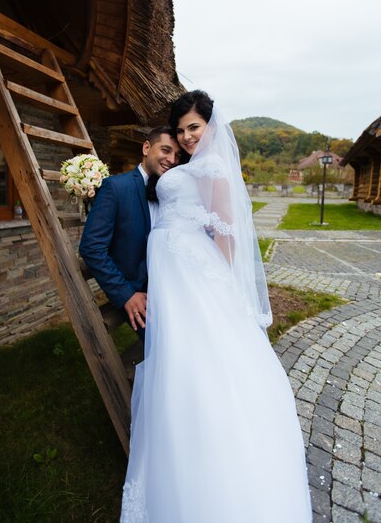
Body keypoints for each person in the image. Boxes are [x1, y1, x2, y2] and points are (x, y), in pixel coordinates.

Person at [120, 91, 312, 522]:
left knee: (196, 354)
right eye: (182, 128)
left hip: (191, 272)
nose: (187, 136)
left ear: (209, 126)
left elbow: (226, 233)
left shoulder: (211, 166)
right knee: (177, 353)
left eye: (194, 127)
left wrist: (221, 284)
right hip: (173, 268)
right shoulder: (191, 166)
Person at [79, 127, 180, 340]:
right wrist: (125, 294)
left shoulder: (172, 193)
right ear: (146, 147)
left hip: (172, 288)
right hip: (138, 294)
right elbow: (92, 247)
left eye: (177, 155)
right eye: (165, 150)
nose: (171, 159)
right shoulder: (115, 187)